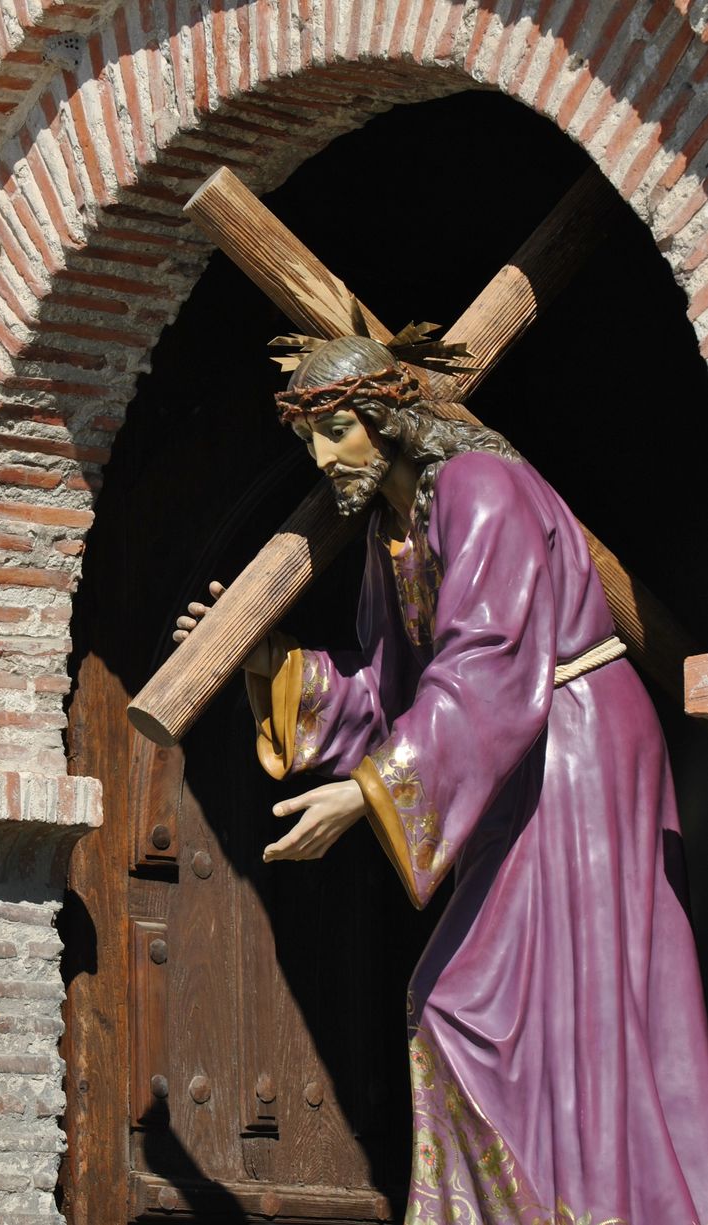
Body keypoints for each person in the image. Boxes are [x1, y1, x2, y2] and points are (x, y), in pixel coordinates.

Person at [175, 337, 708, 1223]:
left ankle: (604, 1202)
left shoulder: (478, 486)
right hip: (512, 760)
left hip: (571, 748)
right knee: (484, 1007)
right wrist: (271, 666)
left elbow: (487, 661)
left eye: (336, 429)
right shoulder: (393, 532)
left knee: (503, 1004)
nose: (323, 458)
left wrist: (364, 794)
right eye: (308, 439)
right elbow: (395, 692)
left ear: (385, 418)